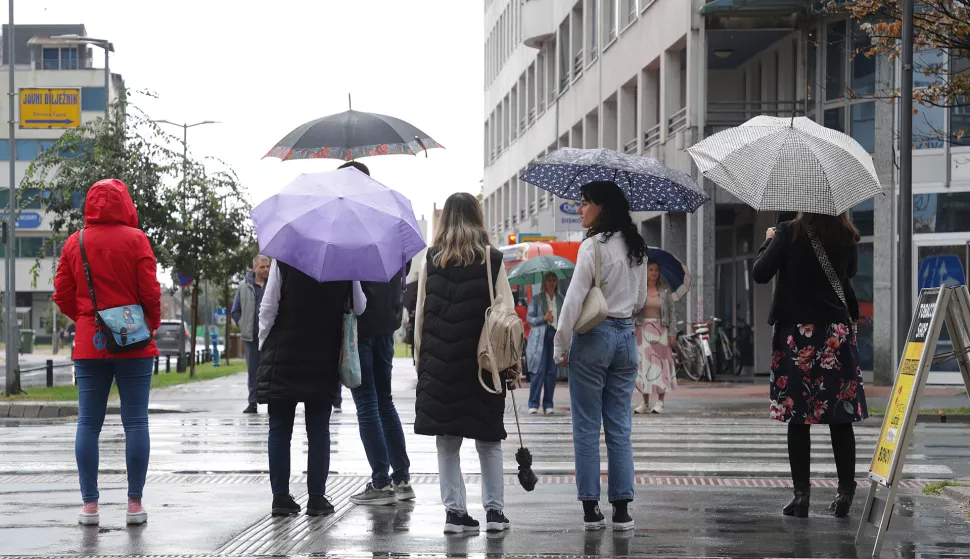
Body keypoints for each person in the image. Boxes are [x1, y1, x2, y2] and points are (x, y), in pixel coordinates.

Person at [53, 178, 162, 527]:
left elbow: (62, 293)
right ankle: (134, 505)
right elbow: (150, 291)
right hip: (133, 339)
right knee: (136, 422)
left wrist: (87, 319)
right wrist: (149, 323)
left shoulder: (76, 241)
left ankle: (89, 506)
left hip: (89, 341)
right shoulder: (137, 240)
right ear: (125, 203)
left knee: (88, 423)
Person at [752, 212, 867, 519]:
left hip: (798, 336)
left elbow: (760, 273)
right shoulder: (846, 232)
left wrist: (768, 242)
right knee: (840, 416)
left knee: (798, 417)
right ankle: (845, 493)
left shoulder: (789, 231)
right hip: (835, 335)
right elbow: (851, 272)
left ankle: (801, 496)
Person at [414, 192, 515, 534]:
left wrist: (420, 361)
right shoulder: (492, 259)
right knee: (488, 439)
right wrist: (511, 363)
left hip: (440, 364)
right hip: (483, 366)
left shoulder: (431, 259)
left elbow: (420, 318)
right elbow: (506, 316)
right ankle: (495, 513)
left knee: (447, 440)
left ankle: (455, 514)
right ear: (477, 217)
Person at [554, 180, 648, 532]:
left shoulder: (593, 246)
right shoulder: (638, 246)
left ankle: (592, 509)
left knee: (586, 425)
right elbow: (639, 301)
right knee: (620, 427)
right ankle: (622, 509)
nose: (579, 209)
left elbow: (574, 300)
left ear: (601, 207)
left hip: (594, 336)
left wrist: (560, 345)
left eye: (584, 203)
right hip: (626, 337)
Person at [256, 258, 366, 517]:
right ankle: (317, 499)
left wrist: (264, 344)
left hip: (284, 354)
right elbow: (359, 307)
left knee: (280, 429)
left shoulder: (283, 259)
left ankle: (280, 497)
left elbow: (268, 308)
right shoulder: (345, 262)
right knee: (318, 430)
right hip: (323, 355)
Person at [338, 160, 414, 506]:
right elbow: (406, 264)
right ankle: (401, 478)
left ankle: (381, 481)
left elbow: (343, 275)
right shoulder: (391, 217)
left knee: (366, 401)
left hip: (362, 324)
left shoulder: (349, 224)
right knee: (384, 400)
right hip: (387, 322)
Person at [633, 262, 677, 414]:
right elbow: (633, 310)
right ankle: (645, 402)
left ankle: (660, 401)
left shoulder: (664, 291)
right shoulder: (639, 291)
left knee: (661, 366)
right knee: (644, 366)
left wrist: (672, 333)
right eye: (650, 270)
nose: (653, 272)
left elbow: (671, 313)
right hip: (642, 330)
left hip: (661, 331)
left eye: (656, 270)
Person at [231, 254, 271, 414]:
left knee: (270, 370)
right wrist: (243, 325)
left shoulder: (273, 284)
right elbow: (235, 310)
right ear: (254, 268)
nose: (266, 269)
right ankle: (252, 402)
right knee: (253, 371)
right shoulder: (243, 286)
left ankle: (271, 402)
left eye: (267, 266)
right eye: (262, 267)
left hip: (269, 336)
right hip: (251, 337)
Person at [526, 272, 563, 415]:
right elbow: (529, 319)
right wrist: (543, 318)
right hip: (540, 338)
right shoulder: (537, 299)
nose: (552, 282)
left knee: (552, 372)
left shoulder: (561, 299)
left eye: (554, 279)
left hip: (555, 336)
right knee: (538, 370)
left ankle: (548, 404)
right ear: (544, 282)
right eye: (549, 280)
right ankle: (533, 403)